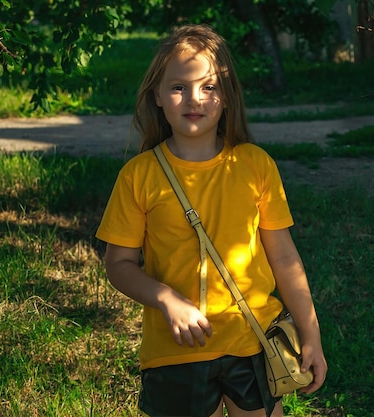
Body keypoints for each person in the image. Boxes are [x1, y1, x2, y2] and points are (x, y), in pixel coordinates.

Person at [95, 23, 327, 417]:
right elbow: (118, 266)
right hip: (176, 351)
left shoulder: (255, 165)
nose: (194, 98)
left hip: (252, 341)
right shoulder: (139, 176)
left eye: (208, 86)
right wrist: (167, 300)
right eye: (178, 87)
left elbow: (285, 259)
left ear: (226, 97)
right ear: (157, 96)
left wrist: (311, 335)